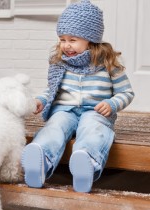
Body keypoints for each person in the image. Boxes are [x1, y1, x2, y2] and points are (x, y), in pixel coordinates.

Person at [21, 0, 134, 193]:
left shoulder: (108, 62)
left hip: (95, 111)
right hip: (65, 110)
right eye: (62, 39)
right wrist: (41, 99)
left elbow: (126, 92)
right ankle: (40, 159)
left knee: (94, 128)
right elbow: (52, 89)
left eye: (72, 40)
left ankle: (86, 161)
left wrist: (111, 103)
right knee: (55, 125)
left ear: (90, 38)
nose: (66, 45)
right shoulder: (60, 62)